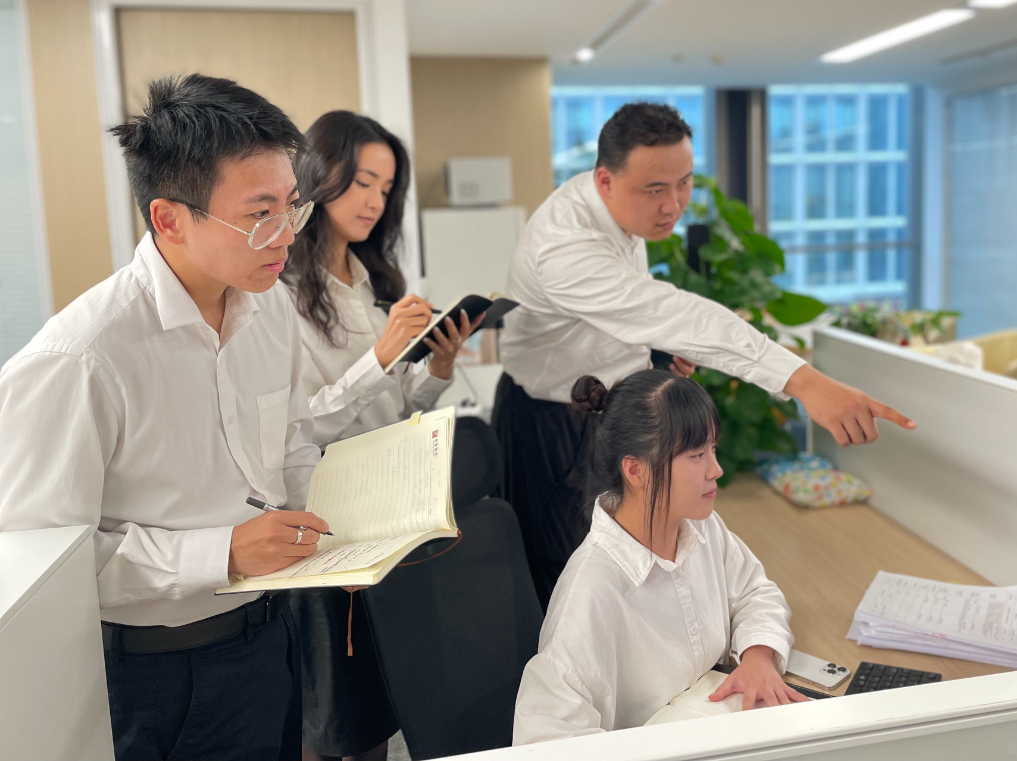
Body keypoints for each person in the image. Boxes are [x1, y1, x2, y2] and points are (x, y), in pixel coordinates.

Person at [0, 74, 328, 761]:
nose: (285, 238)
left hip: (272, 633)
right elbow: (41, 569)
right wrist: (222, 553)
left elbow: (290, 447)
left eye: (291, 208)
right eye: (259, 214)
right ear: (170, 219)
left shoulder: (270, 309)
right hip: (157, 671)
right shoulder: (80, 358)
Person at [496, 101, 915, 608]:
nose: (673, 205)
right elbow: (674, 311)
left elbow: (623, 312)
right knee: (576, 585)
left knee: (640, 569)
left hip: (608, 409)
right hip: (551, 426)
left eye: (685, 183)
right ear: (605, 180)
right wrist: (804, 381)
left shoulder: (619, 209)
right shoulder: (565, 246)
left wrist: (657, 351)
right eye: (655, 189)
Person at [280, 110, 479, 761]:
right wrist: (381, 356)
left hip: (389, 510)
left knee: (383, 707)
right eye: (363, 182)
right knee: (332, 717)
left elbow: (392, 412)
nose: (375, 201)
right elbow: (299, 429)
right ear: (321, 176)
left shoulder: (374, 284)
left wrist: (434, 371)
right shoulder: (280, 294)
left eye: (387, 188)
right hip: (325, 518)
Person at [512, 370, 803, 741]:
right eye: (697, 455)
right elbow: (545, 740)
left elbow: (755, 591)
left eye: (713, 449)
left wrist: (758, 656)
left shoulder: (701, 527)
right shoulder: (589, 592)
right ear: (636, 470)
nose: (716, 469)